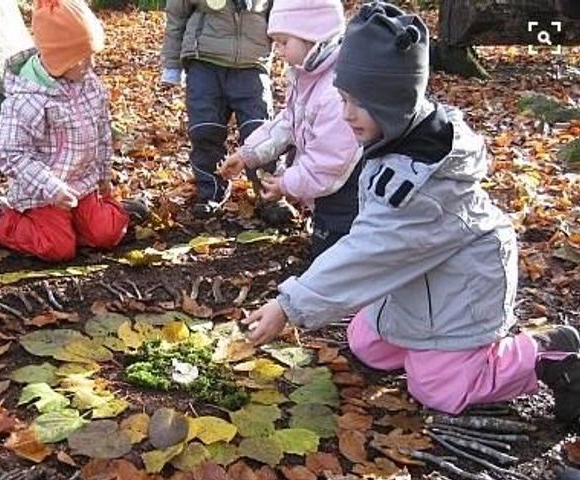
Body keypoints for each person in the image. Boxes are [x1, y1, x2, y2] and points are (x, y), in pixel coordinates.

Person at [242, 1, 580, 420]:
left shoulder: (420, 189)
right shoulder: (395, 136)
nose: (346, 114)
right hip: (423, 278)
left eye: (357, 103)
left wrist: (289, 306)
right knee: (366, 341)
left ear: (391, 101)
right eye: (342, 99)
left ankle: (546, 354)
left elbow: (370, 250)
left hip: (464, 289)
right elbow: (380, 243)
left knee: (438, 387)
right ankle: (423, 344)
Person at [0, 0, 147, 262]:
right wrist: (50, 187)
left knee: (107, 234)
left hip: (83, 184)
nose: (90, 64)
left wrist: (103, 175)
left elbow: (102, 133)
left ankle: (105, 216)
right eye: (82, 58)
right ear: (59, 59)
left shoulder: (88, 85)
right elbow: (12, 153)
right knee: (57, 248)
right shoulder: (27, 98)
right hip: (41, 194)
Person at [219, 0, 362, 259]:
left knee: (338, 251)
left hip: (348, 192)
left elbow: (330, 161)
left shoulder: (333, 92)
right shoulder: (307, 77)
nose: (280, 52)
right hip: (327, 188)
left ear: (313, 37)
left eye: (285, 42)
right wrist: (247, 155)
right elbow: (288, 122)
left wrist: (287, 184)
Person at [160, 0, 293, 224]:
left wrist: (293, 53)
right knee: (205, 130)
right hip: (204, 60)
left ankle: (269, 193)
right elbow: (177, 14)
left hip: (252, 63)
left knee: (259, 129)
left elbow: (286, 14)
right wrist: (172, 65)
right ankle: (210, 191)